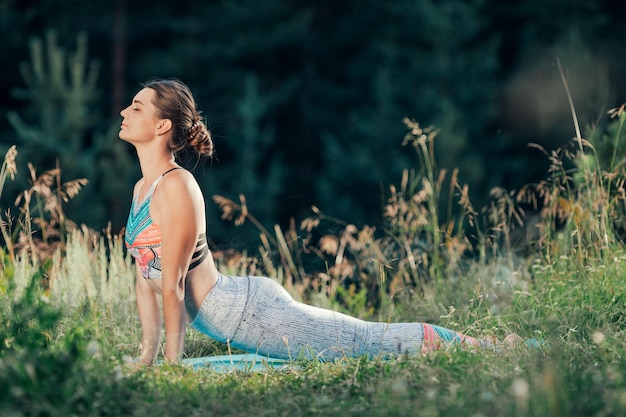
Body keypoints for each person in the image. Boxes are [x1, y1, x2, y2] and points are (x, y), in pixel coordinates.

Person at [120, 79, 507, 366]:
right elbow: (146, 282)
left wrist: (170, 367)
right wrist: (145, 358)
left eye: (137, 107)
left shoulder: (177, 187)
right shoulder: (142, 189)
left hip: (248, 314)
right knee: (357, 343)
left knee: (366, 342)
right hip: (238, 310)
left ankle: (490, 348)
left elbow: (172, 285)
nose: (124, 111)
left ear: (162, 126)